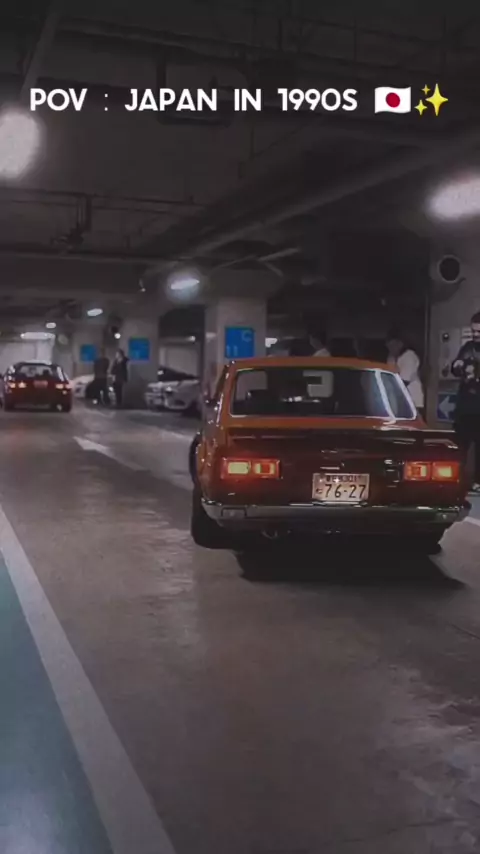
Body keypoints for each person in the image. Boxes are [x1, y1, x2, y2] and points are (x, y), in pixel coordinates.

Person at [451, 311, 480, 493]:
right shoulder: (468, 347)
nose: (476, 335)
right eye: (473, 331)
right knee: (460, 444)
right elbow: (456, 366)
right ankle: (457, 478)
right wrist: (457, 365)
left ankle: (478, 481)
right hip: (465, 406)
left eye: (479, 332)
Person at [386, 330, 425, 415]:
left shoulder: (409, 356)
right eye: (389, 346)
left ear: (400, 344)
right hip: (398, 401)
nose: (391, 348)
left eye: (393, 345)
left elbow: (404, 381)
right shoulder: (392, 358)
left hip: (413, 399)